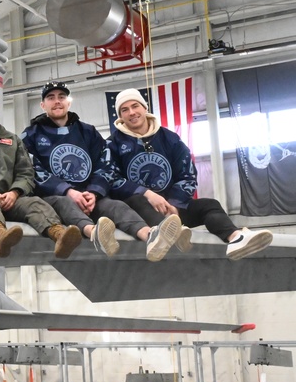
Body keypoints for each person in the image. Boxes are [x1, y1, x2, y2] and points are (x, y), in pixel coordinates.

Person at [21, 81, 182, 261]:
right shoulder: (31, 134)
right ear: (43, 105)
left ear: (69, 102)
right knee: (64, 203)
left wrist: (94, 192)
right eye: (51, 98)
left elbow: (105, 165)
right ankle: (95, 234)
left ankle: (150, 236)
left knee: (117, 206)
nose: (57, 101)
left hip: (89, 197)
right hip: (55, 199)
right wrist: (68, 191)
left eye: (62, 97)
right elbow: (30, 169)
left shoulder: (88, 132)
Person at [109, 88, 273, 260]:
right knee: (137, 200)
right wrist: (147, 194)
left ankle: (235, 238)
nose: (132, 112)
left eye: (135, 106)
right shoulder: (113, 144)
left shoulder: (169, 138)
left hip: (173, 210)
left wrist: (174, 205)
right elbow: (112, 180)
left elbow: (187, 175)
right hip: (140, 214)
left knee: (209, 204)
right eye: (124, 110)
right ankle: (168, 233)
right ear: (120, 116)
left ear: (145, 108)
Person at [0, 86, 83, 259]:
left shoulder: (13, 139)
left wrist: (15, 192)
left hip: (11, 200)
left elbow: (26, 171)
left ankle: (59, 235)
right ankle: (0, 236)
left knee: (35, 202)